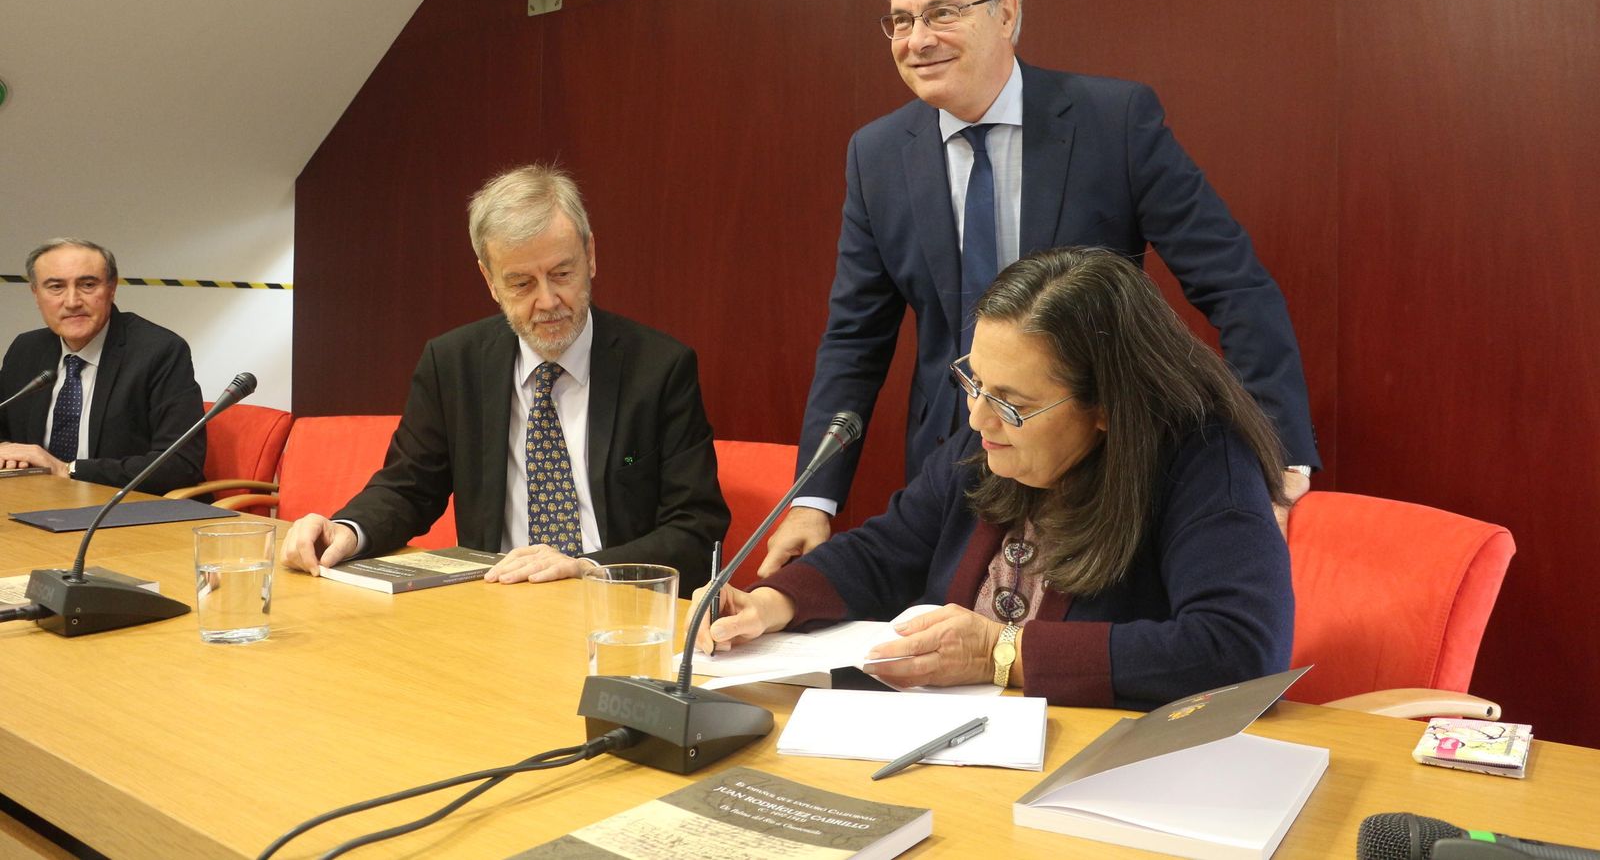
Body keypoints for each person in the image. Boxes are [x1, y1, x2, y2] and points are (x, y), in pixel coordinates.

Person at [764, 0, 1317, 576]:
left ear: (1007, 13)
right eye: (902, 20)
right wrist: (813, 496)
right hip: (952, 472)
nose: (918, 39)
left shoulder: (1113, 122)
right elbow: (855, 338)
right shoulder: (877, 155)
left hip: (1095, 463)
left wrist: (1276, 456)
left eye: (943, 12)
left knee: (1065, 655)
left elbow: (1233, 284)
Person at [704, 247, 1292, 710]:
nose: (978, 417)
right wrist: (769, 604)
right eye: (973, 382)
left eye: (1011, 402)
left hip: (1102, 771)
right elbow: (890, 549)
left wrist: (1001, 652)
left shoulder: (1205, 463)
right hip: (949, 737)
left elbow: (1237, 647)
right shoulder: (986, 433)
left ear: (1109, 405)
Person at [281, 164, 729, 591]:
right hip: (492, 604)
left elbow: (695, 528)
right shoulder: (453, 363)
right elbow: (409, 488)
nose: (548, 300)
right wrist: (345, 529)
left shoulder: (659, 368)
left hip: (610, 605)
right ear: (489, 280)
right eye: (521, 284)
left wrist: (587, 568)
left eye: (562, 273)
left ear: (591, 256)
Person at [0, 239, 204, 493]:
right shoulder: (27, 349)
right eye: (56, 287)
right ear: (36, 294)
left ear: (112, 288)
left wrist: (67, 469)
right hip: (34, 503)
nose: (72, 301)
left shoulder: (159, 351)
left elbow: (179, 464)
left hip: (124, 509)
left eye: (87, 285)